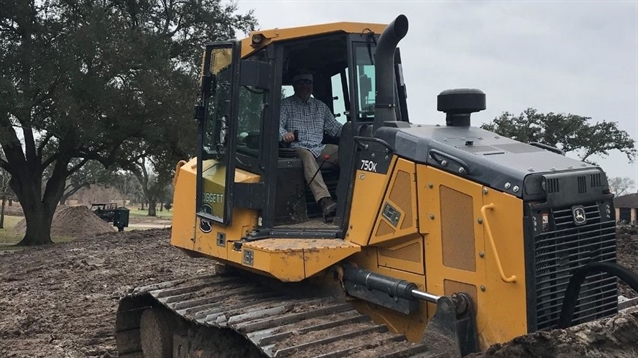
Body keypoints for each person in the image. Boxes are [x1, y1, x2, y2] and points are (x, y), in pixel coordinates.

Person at [279, 71, 342, 217]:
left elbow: (335, 128)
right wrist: (284, 134)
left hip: (319, 148)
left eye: (308, 82)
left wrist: (353, 129)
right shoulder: (286, 105)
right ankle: (325, 201)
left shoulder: (321, 107)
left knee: (344, 152)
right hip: (296, 148)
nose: (304, 86)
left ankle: (348, 193)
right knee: (307, 156)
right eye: (300, 82)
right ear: (294, 86)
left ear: (312, 86)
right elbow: (277, 126)